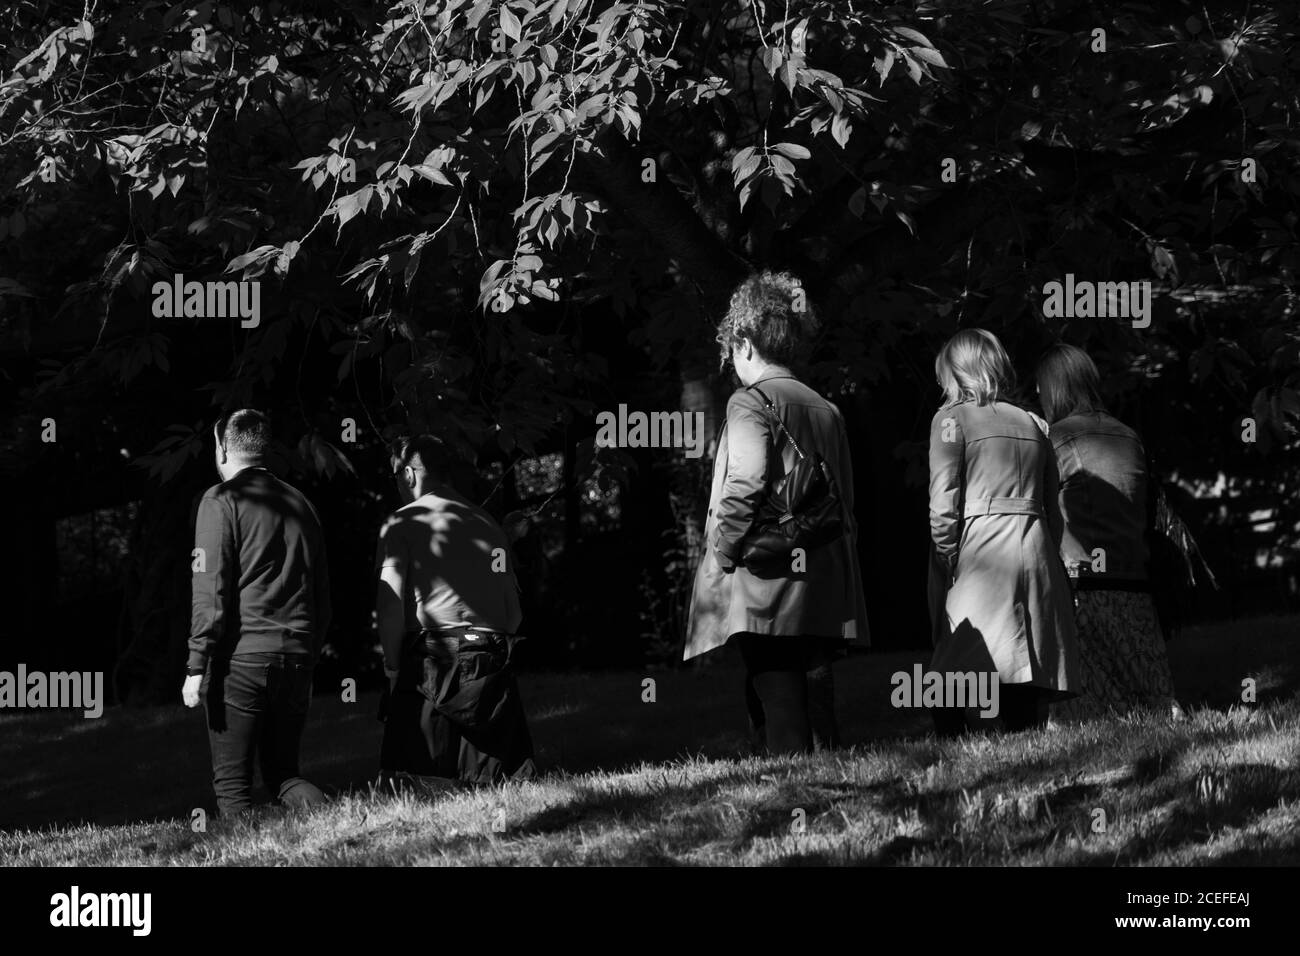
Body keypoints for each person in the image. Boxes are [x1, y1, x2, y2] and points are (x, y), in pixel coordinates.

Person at [684, 270, 869, 754]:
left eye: (731, 352)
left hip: (767, 572)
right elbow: (843, 496)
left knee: (775, 682)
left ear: (744, 343)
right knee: (813, 682)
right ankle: (827, 769)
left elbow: (745, 479)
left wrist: (722, 553)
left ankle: (788, 782)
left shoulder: (750, 402)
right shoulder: (826, 408)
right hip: (822, 567)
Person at [927, 329, 1078, 733]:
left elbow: (943, 501)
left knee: (957, 663)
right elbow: (1054, 507)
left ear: (956, 371)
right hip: (1035, 548)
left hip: (979, 552)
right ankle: (1021, 752)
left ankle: (953, 762)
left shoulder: (950, 419)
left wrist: (946, 555)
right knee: (1023, 663)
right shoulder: (1034, 423)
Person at [183, 409, 331, 815]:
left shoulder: (220, 500)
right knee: (284, 774)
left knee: (233, 788)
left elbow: (209, 589)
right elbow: (322, 596)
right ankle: (336, 822)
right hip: (296, 657)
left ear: (223, 448)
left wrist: (197, 665)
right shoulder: (301, 504)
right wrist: (309, 652)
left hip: (241, 662)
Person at [375, 434, 535, 785]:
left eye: (395, 475)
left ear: (409, 475)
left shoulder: (402, 523)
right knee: (497, 785)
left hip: (432, 661)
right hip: (491, 663)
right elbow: (513, 615)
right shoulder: (488, 526)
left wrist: (392, 668)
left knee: (413, 786)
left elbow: (389, 606)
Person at [1034, 343, 1181, 722]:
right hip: (1134, 583)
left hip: (1082, 589)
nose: (1037, 394)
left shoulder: (1056, 439)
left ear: (1053, 389)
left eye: (1040, 386)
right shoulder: (1128, 435)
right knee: (1151, 703)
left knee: (1087, 714)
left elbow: (1039, 510)